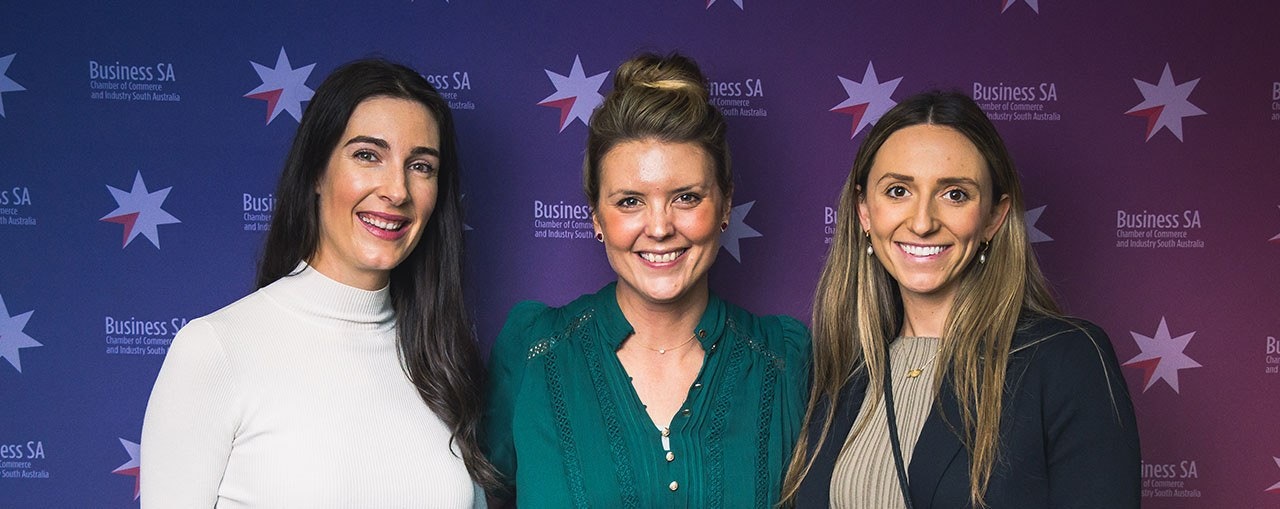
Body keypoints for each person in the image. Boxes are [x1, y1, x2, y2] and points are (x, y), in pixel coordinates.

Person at [140, 59, 497, 508]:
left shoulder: (444, 365)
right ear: (315, 172)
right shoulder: (215, 351)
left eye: (421, 165)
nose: (397, 190)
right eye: (367, 155)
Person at [483, 52, 810, 508]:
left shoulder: (784, 360)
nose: (659, 228)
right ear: (596, 215)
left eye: (686, 198)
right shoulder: (534, 351)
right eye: (630, 201)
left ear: (725, 205)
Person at [784, 91, 1140, 508]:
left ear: (994, 216)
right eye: (898, 191)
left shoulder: (1066, 359)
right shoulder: (835, 371)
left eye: (954, 194)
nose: (922, 222)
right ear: (864, 211)